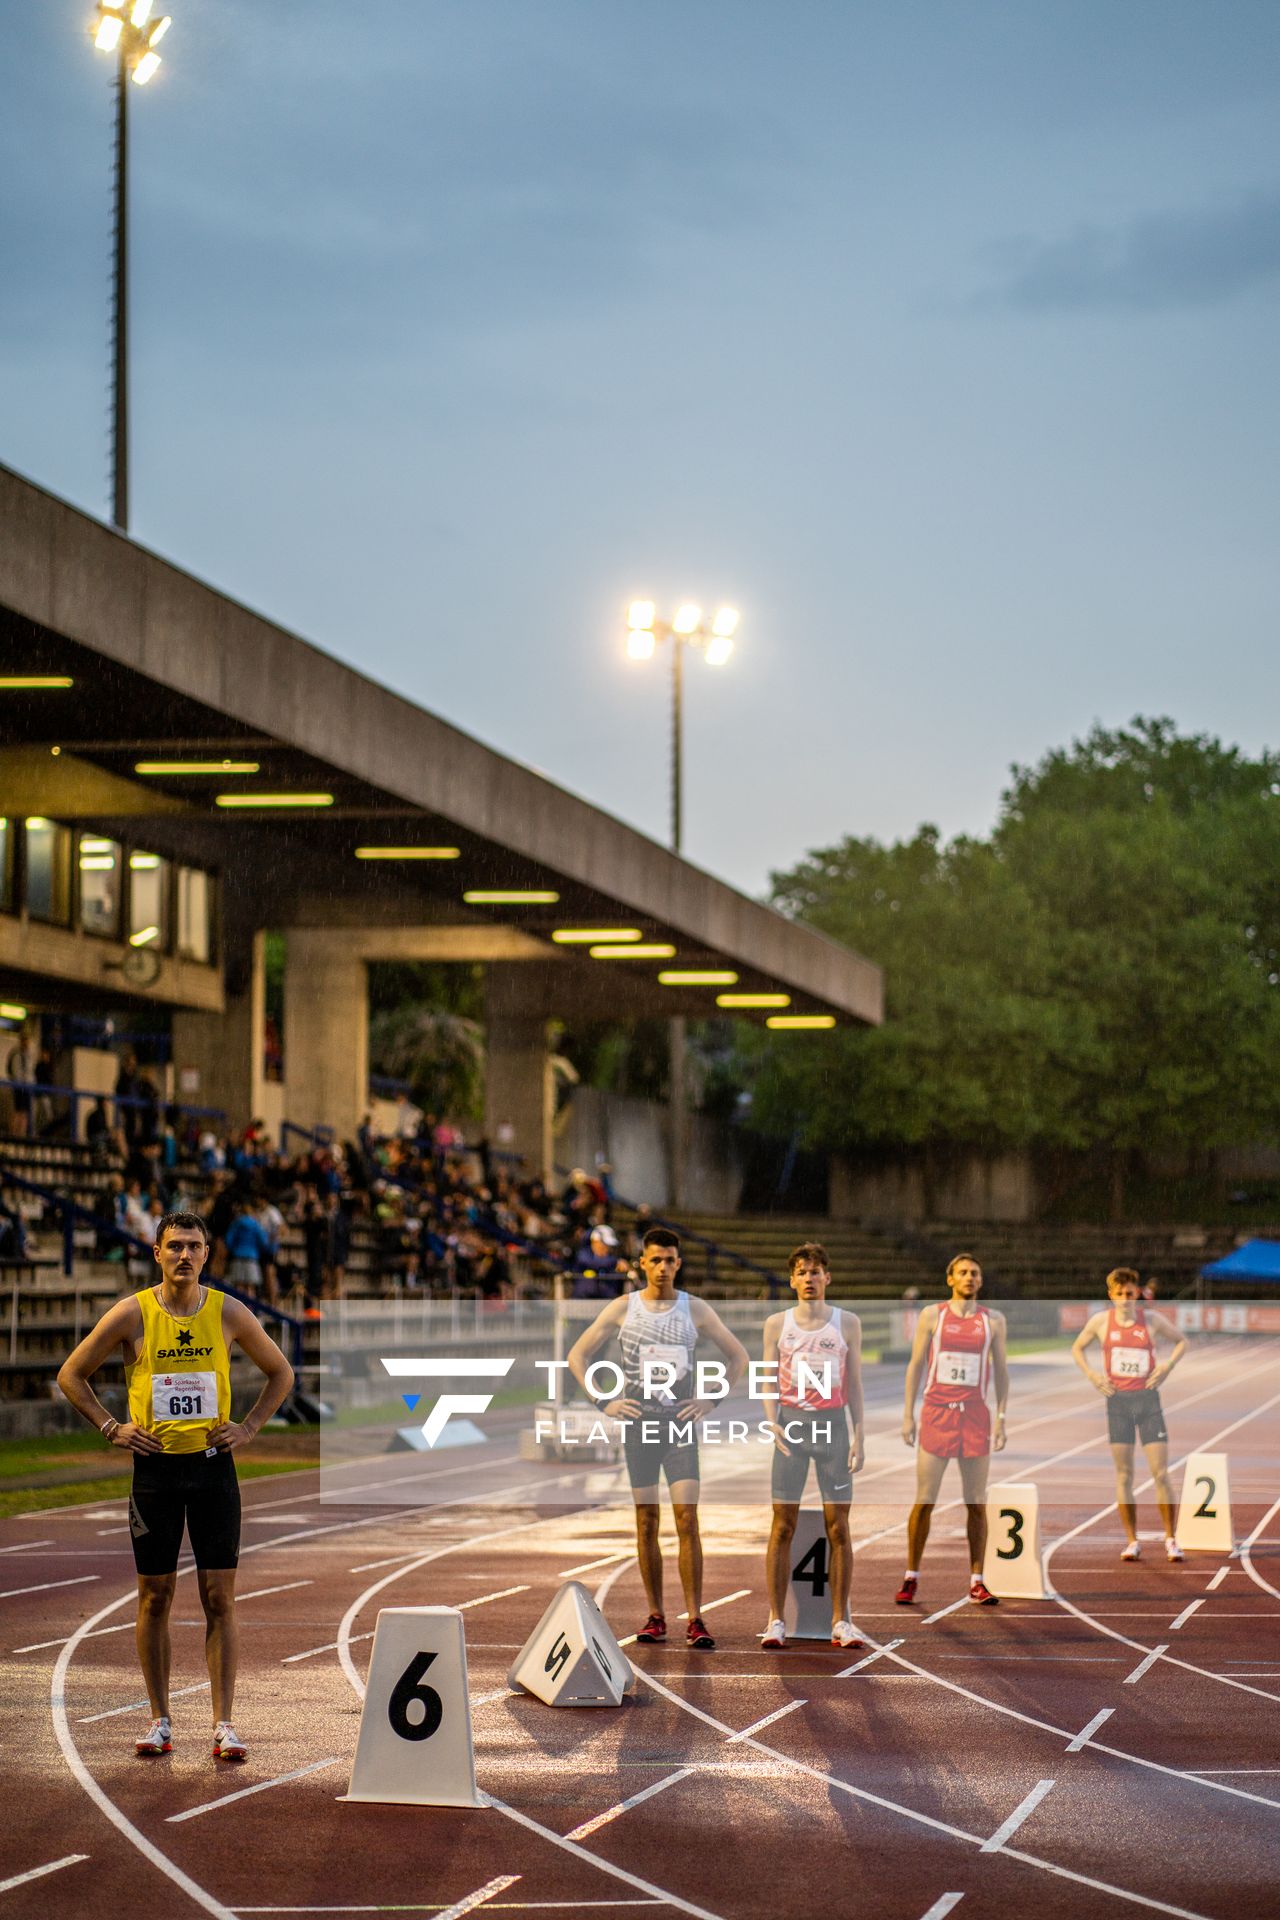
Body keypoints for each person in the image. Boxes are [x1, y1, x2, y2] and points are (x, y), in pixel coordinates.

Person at [56, 1209, 294, 1760]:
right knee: (154, 1596)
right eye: (174, 1246)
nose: (184, 1255)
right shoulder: (132, 1313)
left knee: (219, 1598)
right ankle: (160, 1718)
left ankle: (224, 1723)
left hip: (213, 1469)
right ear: (157, 1253)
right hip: (156, 1473)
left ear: (207, 1254)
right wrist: (112, 1427)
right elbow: (72, 1374)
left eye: (194, 1246)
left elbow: (281, 1372)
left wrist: (251, 1425)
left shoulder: (228, 1312)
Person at [567, 1226, 749, 1649]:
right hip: (640, 1427)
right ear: (642, 1264)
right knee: (647, 1521)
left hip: (679, 1426)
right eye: (656, 1260)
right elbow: (578, 1355)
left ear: (678, 1264)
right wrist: (603, 1401)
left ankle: (696, 1618)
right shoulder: (622, 1309)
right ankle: (655, 1615)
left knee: (687, 1519)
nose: (663, 1267)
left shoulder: (695, 1310)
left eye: (670, 1260)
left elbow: (737, 1355)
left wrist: (710, 1400)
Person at [759, 1243, 866, 1650]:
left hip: (833, 1430)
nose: (809, 1278)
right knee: (781, 1525)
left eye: (816, 1271)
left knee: (838, 1527)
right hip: (791, 1429)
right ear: (792, 1280)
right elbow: (767, 1379)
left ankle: (842, 1621)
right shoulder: (777, 1324)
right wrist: (772, 1421)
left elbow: (854, 1383)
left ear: (827, 1277)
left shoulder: (846, 1323)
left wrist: (860, 1435)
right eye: (802, 1272)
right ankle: (775, 1620)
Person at [897, 1253, 1009, 1607]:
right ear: (950, 1279)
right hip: (937, 1413)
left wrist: (1002, 1416)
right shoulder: (933, 1315)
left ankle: (977, 1580)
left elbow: (1002, 1371)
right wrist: (908, 1414)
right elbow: (915, 1365)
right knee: (924, 1499)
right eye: (962, 1272)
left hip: (975, 1416)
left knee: (976, 1502)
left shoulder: (993, 1321)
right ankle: (911, 1575)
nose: (969, 1277)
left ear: (981, 1280)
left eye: (975, 1272)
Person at [1071, 1266, 1188, 1562]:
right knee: (1124, 1475)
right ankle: (1132, 1541)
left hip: (1148, 1402)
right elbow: (1077, 1348)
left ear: (1138, 1292)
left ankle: (1171, 1539)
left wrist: (1166, 1367)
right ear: (1111, 1295)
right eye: (1120, 1294)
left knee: (1160, 1473)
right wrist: (1093, 1376)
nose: (1126, 1299)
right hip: (1118, 1403)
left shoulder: (1150, 1321)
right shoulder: (1100, 1322)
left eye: (1130, 1293)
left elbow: (1182, 1341)